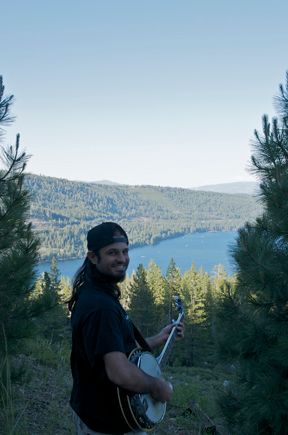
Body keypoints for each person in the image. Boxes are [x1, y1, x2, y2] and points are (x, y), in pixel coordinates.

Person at [68, 222, 184, 435]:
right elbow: (119, 371)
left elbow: (113, 350)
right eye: (112, 253)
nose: (122, 259)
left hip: (100, 413)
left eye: (125, 251)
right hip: (106, 423)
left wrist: (159, 339)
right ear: (93, 257)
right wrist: (158, 387)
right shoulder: (101, 308)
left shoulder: (97, 292)